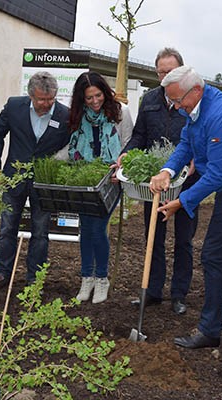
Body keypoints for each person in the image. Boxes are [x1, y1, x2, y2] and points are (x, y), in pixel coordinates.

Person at [149, 65, 222, 349]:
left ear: (197, 90)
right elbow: (186, 145)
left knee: (213, 253)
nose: (176, 108)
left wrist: (182, 202)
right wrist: (167, 170)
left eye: (178, 101)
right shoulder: (195, 109)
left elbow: (216, 175)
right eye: (172, 101)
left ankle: (210, 330)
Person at [116, 48, 200, 315]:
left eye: (170, 71)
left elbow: (200, 136)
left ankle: (178, 294)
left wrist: (197, 158)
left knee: (184, 239)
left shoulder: (190, 100)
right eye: (161, 72)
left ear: (181, 72)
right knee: (153, 235)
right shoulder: (150, 99)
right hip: (156, 181)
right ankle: (152, 291)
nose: (164, 76)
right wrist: (127, 152)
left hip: (186, 182)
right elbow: (140, 134)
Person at [0, 71, 71, 285]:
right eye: (41, 100)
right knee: (7, 229)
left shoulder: (65, 115)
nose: (46, 104)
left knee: (41, 232)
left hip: (44, 182)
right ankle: (2, 275)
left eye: (50, 99)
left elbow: (71, 146)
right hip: (13, 178)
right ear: (30, 96)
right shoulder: (14, 106)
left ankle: (34, 281)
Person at [69, 71, 133, 304]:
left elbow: (128, 145)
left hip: (110, 180)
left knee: (98, 228)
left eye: (98, 95)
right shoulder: (78, 116)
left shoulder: (120, 112)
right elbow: (70, 146)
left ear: (105, 93)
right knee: (86, 228)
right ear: (81, 99)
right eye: (88, 98)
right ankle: (87, 279)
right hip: (84, 178)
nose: (95, 101)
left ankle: (102, 278)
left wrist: (122, 168)